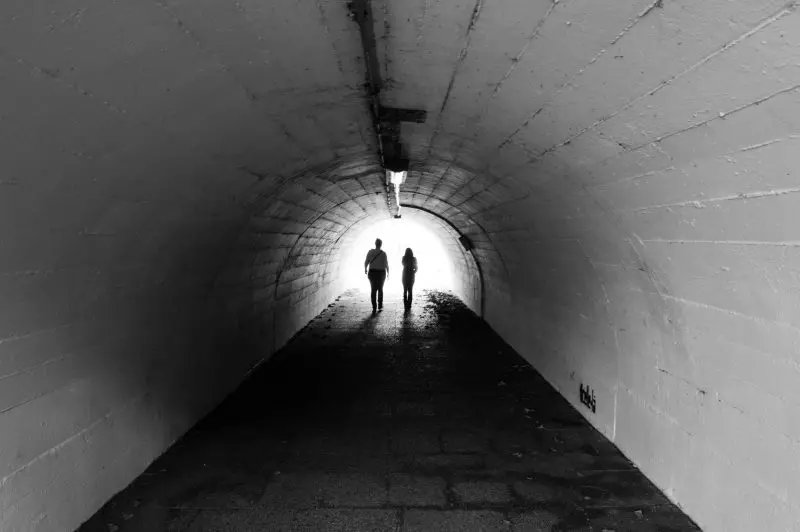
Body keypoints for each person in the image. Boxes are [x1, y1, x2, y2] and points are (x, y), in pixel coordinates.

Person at [364, 238, 389, 313]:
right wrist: (388, 272)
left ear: (375, 244)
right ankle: (380, 306)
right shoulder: (383, 253)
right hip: (381, 273)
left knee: (373, 290)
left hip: (372, 273)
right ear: (381, 244)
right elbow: (386, 264)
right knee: (380, 289)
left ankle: (374, 307)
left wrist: (365, 269)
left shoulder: (370, 252)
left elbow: (366, 261)